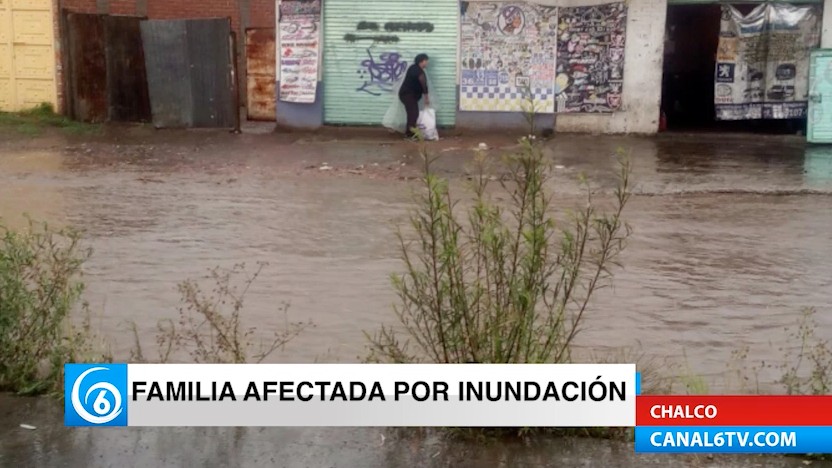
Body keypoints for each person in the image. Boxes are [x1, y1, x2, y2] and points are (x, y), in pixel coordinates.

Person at [399, 53, 430, 139]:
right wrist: (426, 98)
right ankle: (409, 134)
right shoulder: (418, 71)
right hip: (408, 95)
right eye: (426, 61)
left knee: (412, 113)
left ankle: (410, 133)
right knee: (413, 114)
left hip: (406, 94)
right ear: (422, 61)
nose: (427, 63)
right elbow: (424, 85)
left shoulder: (413, 68)